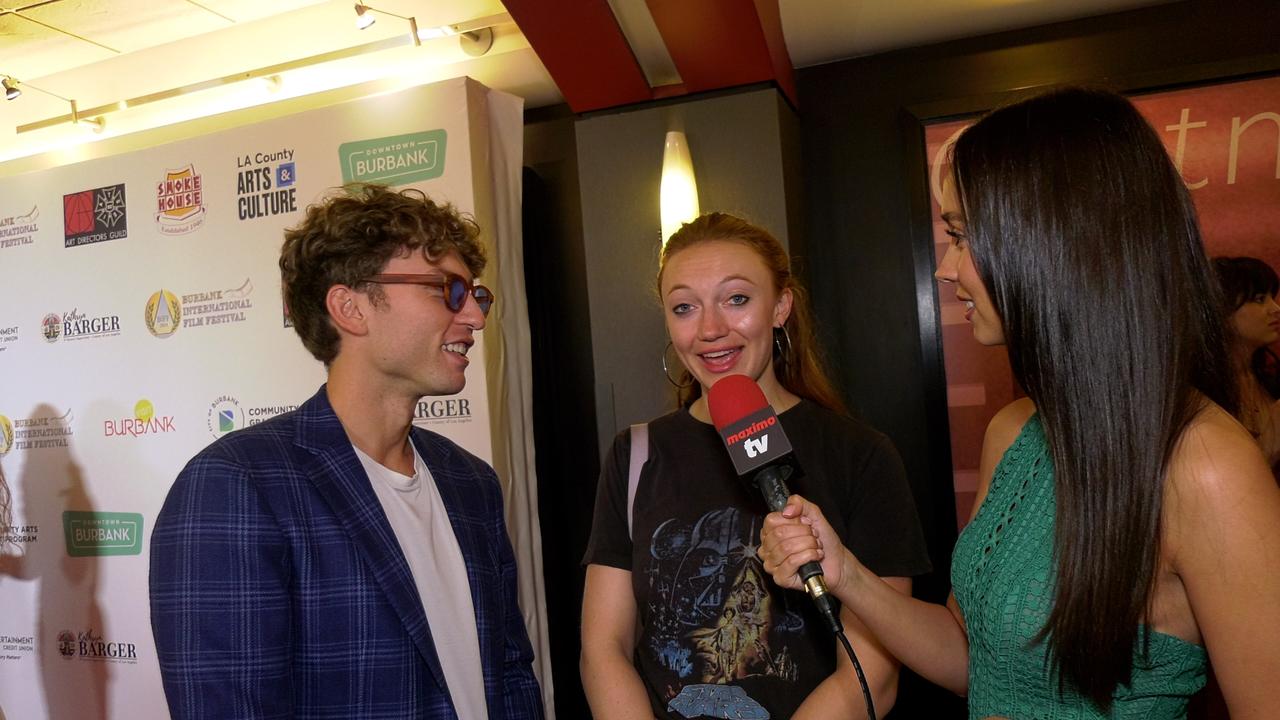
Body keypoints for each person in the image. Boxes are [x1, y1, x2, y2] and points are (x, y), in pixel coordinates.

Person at [759, 87, 1280, 718]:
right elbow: (974, 662)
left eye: (962, 236)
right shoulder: (1013, 431)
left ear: (1056, 241)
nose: (947, 270)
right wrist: (844, 574)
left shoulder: (1207, 468)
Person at [150, 184, 543, 720]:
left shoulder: (470, 481)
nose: (474, 317)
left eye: (477, 296)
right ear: (350, 308)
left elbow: (511, 672)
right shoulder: (238, 483)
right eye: (447, 291)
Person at [580, 212, 931, 719]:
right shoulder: (635, 454)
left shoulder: (860, 455)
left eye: (737, 299)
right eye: (684, 307)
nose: (711, 330)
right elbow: (603, 648)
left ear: (781, 306)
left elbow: (872, 672)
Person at [1213, 256, 1280, 472]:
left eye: (1273, 297)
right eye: (1260, 299)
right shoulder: (1203, 396)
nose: (1276, 308)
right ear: (1221, 310)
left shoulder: (1269, 378)